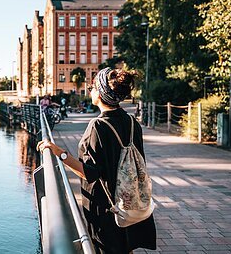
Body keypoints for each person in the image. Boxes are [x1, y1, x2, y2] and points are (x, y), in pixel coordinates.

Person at [38, 67, 156, 254]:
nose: (90, 90)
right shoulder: (133, 122)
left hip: (106, 208)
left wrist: (58, 152)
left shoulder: (97, 127)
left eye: (93, 87)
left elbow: (89, 173)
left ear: (101, 94)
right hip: (129, 201)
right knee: (126, 248)